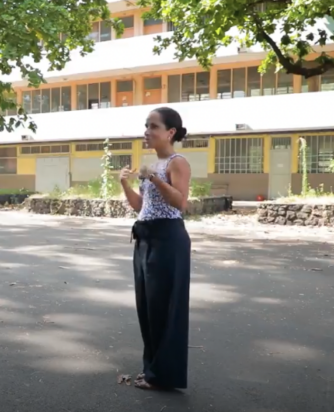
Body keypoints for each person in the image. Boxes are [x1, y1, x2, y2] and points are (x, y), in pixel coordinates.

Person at [119, 107, 192, 391]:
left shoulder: (177, 162)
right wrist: (125, 184)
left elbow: (180, 203)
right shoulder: (153, 164)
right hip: (145, 237)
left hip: (168, 239)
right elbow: (141, 206)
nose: (147, 131)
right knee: (148, 307)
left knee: (165, 307)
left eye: (153, 126)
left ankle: (164, 375)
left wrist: (155, 179)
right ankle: (152, 370)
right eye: (146, 126)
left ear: (170, 132)